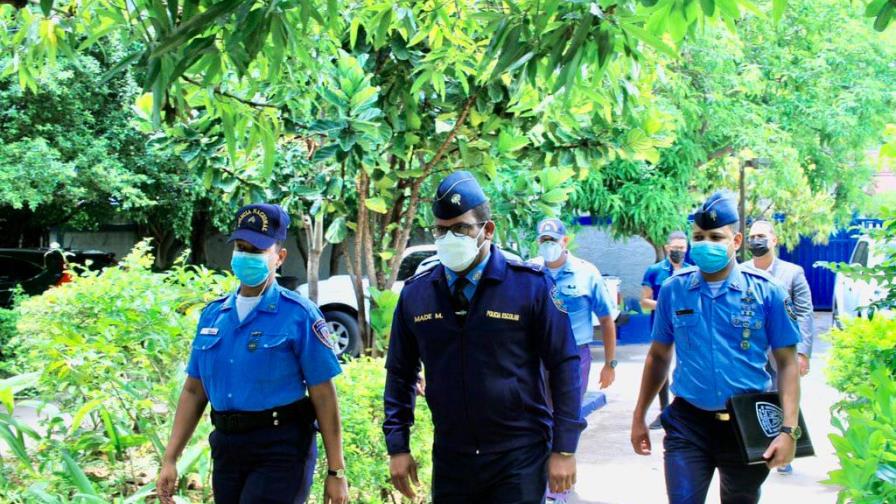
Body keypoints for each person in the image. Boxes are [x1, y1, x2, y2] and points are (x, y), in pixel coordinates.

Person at [383, 171, 585, 503]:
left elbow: (564, 365)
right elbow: (400, 373)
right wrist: (398, 446)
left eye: (461, 228)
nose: (449, 238)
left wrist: (565, 447)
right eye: (441, 230)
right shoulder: (418, 294)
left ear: (487, 230)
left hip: (518, 454)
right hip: (452, 457)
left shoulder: (528, 286)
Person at [156, 203, 349, 504]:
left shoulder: (299, 315)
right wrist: (170, 458)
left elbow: (323, 394)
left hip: (281, 447)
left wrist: (336, 471)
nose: (246, 256)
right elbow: (194, 391)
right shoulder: (213, 315)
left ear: (279, 257)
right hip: (227, 446)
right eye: (241, 247)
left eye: (257, 250)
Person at [630, 191, 803, 504]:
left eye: (715, 236)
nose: (705, 243)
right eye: (699, 236)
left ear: (736, 241)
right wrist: (639, 415)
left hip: (747, 423)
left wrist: (789, 431)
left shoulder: (766, 292)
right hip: (689, 422)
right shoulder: (674, 289)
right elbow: (658, 356)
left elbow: (787, 363)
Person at [530, 218, 616, 504]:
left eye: (553, 240)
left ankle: (560, 489)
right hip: (535, 357)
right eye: (543, 240)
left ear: (565, 241)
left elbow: (606, 319)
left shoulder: (586, 273)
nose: (548, 245)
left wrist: (610, 363)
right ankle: (539, 485)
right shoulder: (530, 271)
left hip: (574, 357)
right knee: (536, 419)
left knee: (565, 417)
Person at [742, 219, 815, 475]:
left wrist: (803, 352)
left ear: (774, 240)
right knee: (752, 399)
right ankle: (755, 448)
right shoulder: (740, 272)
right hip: (750, 350)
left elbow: (805, 312)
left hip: (783, 352)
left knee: (783, 398)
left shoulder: (792, 273)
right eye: (752, 237)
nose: (756, 241)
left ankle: (786, 449)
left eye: (761, 236)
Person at [640, 231, 692, 430]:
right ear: (667, 247)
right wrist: (666, 305)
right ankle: (664, 412)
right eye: (675, 248)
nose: (678, 251)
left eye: (682, 248)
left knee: (686, 365)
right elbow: (644, 301)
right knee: (661, 366)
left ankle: (685, 411)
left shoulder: (693, 271)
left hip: (688, 328)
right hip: (662, 327)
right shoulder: (654, 271)